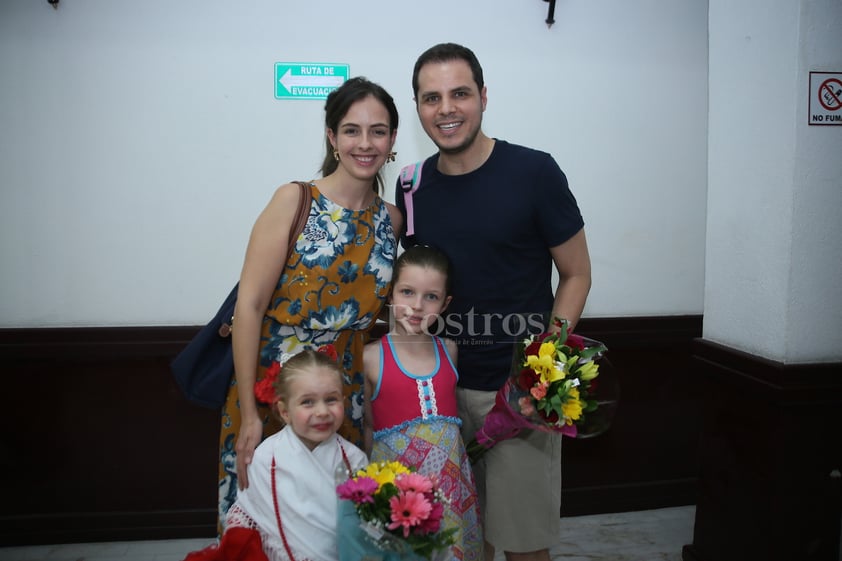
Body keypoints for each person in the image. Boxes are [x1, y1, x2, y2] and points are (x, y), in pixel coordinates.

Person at [396, 44, 592, 561]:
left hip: (516, 399)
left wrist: (543, 370)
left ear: (483, 97)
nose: (446, 108)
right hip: (435, 395)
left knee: (522, 545)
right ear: (417, 107)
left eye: (460, 93)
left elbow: (577, 273)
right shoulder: (411, 186)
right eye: (431, 97)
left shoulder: (534, 172)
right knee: (454, 543)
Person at [218, 76, 403, 530]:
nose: (365, 143)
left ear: (392, 139)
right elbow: (250, 309)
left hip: (344, 398)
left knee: (337, 524)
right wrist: (248, 413)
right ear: (332, 137)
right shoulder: (294, 200)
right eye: (352, 130)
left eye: (378, 131)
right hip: (274, 391)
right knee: (262, 524)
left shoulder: (391, 220)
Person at [359, 244, 483, 561]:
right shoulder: (371, 358)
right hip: (400, 494)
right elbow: (369, 427)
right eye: (407, 292)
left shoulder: (450, 350)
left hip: (450, 489)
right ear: (390, 294)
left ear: (445, 304)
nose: (417, 306)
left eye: (431, 296)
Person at [186, 349, 369, 561]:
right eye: (307, 402)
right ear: (284, 411)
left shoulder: (354, 459)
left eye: (331, 400)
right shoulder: (266, 458)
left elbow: (362, 523)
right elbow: (252, 516)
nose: (322, 412)